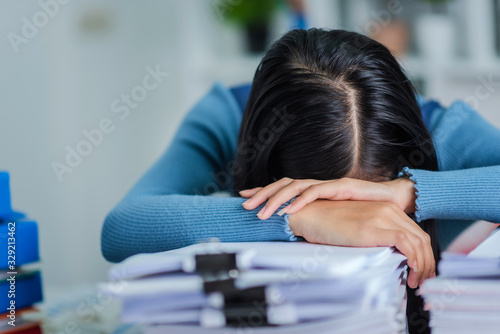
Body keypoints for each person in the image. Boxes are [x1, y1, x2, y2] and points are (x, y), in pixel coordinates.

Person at [101, 28, 499, 315]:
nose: (360, 221)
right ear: (271, 171)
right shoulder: (227, 117)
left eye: (368, 199)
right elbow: (123, 227)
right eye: (336, 204)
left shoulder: (441, 131)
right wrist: (297, 216)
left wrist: (411, 192)